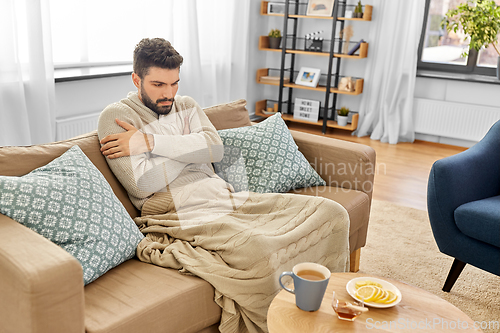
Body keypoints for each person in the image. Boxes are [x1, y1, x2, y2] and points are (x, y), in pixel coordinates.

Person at [97, 38, 349, 333]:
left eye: (174, 83)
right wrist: (192, 149)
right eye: (158, 85)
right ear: (136, 79)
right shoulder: (116, 118)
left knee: (333, 213)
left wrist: (151, 143)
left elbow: (215, 151)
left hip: (225, 197)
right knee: (257, 248)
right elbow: (142, 186)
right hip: (174, 213)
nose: (169, 94)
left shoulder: (187, 106)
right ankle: (285, 323)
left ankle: (324, 311)